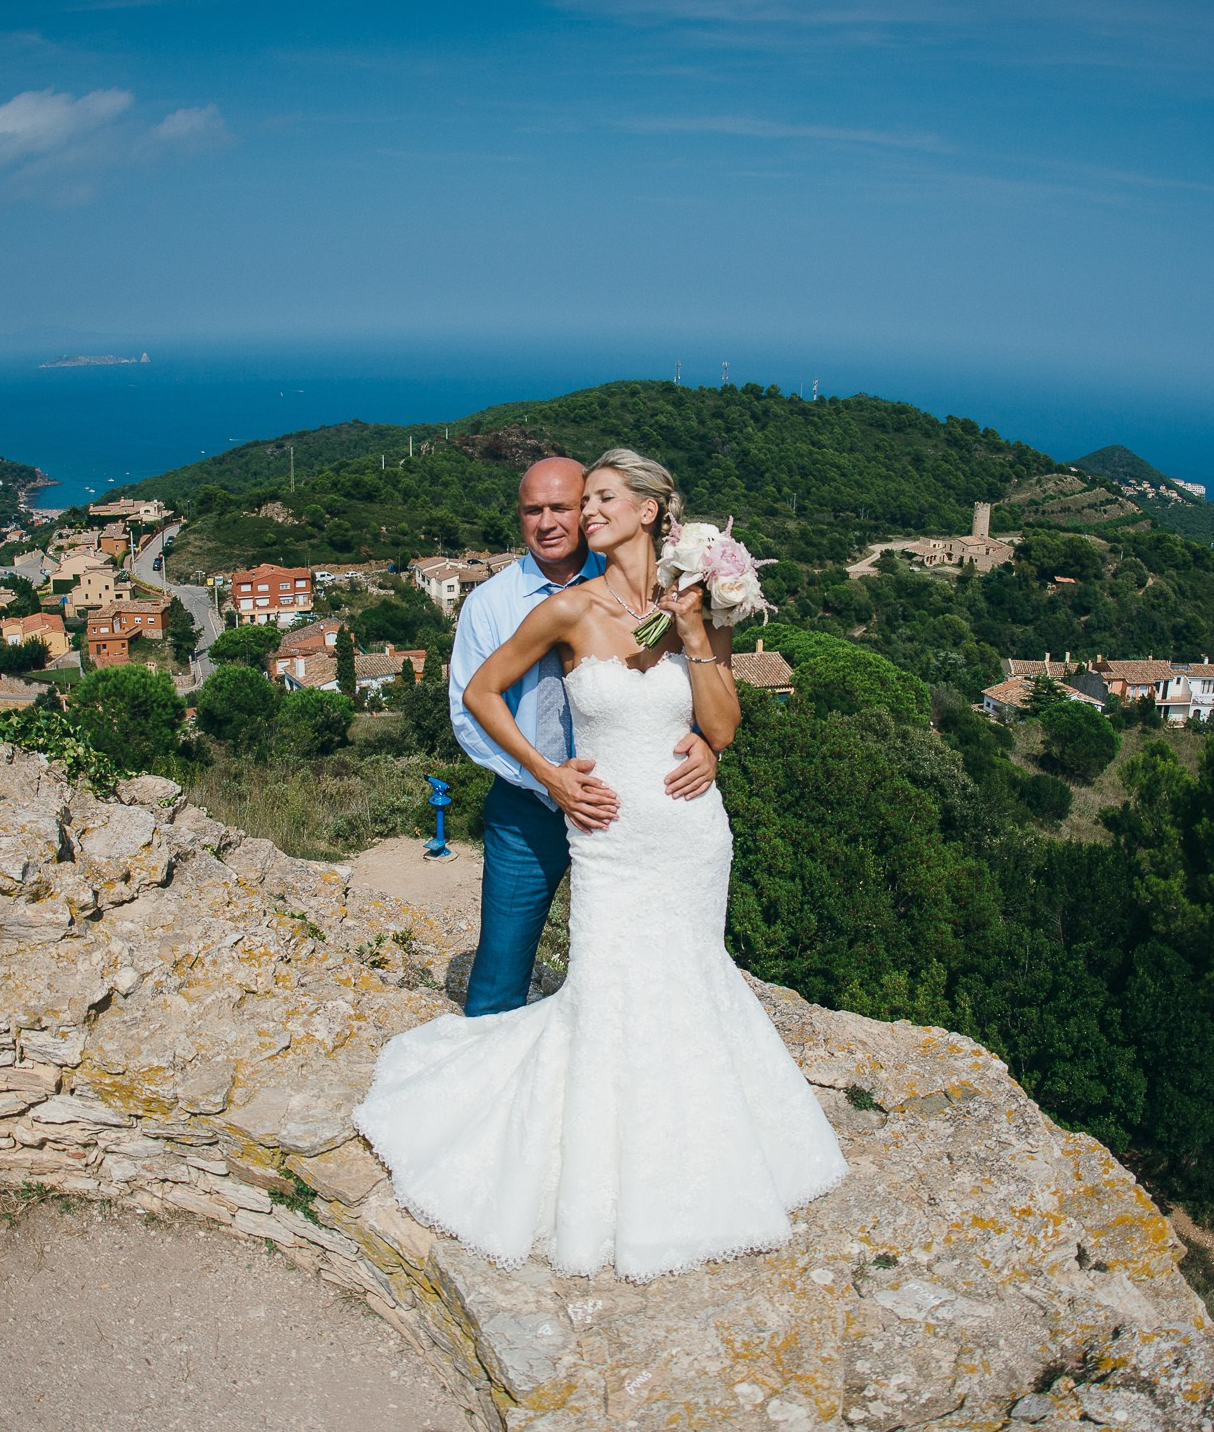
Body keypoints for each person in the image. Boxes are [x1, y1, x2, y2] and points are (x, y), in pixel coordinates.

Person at [354, 449, 846, 1281]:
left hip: (690, 836)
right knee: (606, 994)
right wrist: (548, 774)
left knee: (690, 983)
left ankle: (699, 1154)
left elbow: (721, 726)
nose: (580, 517)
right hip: (607, 838)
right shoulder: (562, 609)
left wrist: (695, 640)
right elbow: (477, 694)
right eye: (574, 506)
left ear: (652, 511)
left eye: (598, 501)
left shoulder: (698, 603)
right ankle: (605, 1172)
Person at [445, 455, 719, 1017]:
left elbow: (675, 693)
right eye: (531, 510)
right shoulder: (487, 604)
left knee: (641, 968)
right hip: (528, 808)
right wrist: (549, 779)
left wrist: (706, 745)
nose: (547, 521)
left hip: (637, 815)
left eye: (563, 507)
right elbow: (470, 711)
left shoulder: (642, 583)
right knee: (500, 972)